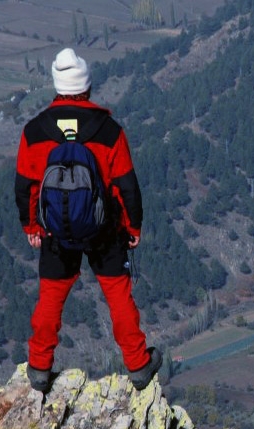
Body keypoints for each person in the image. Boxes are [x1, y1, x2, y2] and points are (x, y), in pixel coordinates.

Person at [15, 48, 161, 393]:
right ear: (86, 87)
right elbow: (128, 186)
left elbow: (25, 186)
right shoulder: (108, 130)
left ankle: (38, 367)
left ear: (56, 86)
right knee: (118, 296)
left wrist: (32, 227)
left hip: (55, 231)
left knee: (50, 298)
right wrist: (133, 227)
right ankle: (138, 365)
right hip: (104, 229)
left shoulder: (35, 131)